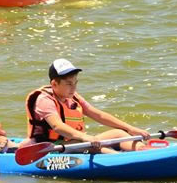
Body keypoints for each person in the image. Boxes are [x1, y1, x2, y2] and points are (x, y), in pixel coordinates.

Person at [21, 59, 150, 154]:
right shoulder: (44, 99)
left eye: (75, 83)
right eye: (69, 84)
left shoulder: (72, 96)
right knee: (89, 145)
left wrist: (131, 128)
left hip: (73, 142)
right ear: (54, 84)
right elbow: (57, 126)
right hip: (50, 148)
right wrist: (84, 137)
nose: (74, 88)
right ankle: (121, 159)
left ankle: (143, 150)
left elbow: (98, 115)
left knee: (118, 133)